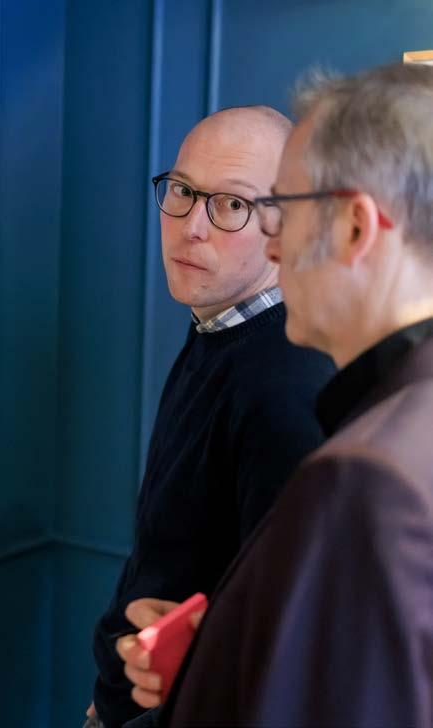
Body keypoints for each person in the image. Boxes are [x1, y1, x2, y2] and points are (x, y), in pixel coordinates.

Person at [118, 63, 433, 727]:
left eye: (283, 210)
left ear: (354, 229)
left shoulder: (373, 476)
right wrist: (216, 652)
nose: (273, 245)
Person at [88, 106, 335, 728]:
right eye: (182, 191)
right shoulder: (218, 328)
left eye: (231, 205)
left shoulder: (287, 384)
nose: (191, 227)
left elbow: (283, 649)